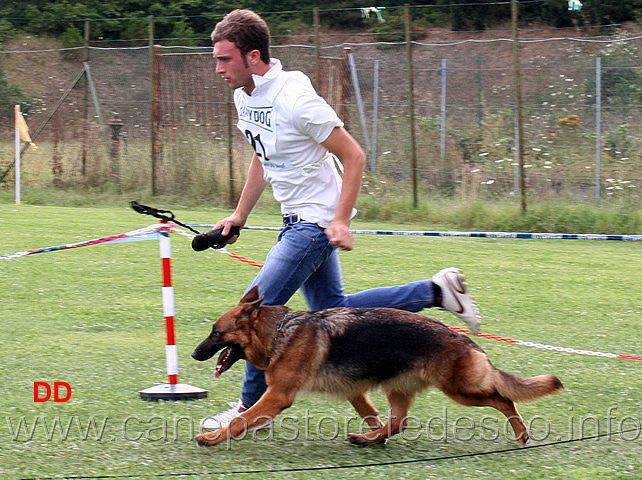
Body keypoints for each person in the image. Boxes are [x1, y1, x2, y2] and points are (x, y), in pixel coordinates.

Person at [200, 9, 481, 431]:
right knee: (335, 311)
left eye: (224, 59)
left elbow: (354, 156)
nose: (217, 68)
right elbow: (263, 155)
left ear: (252, 56)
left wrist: (339, 221)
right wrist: (239, 215)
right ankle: (436, 291)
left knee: (252, 316)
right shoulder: (244, 95)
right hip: (293, 219)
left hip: (314, 223)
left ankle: (248, 410)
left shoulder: (296, 99)